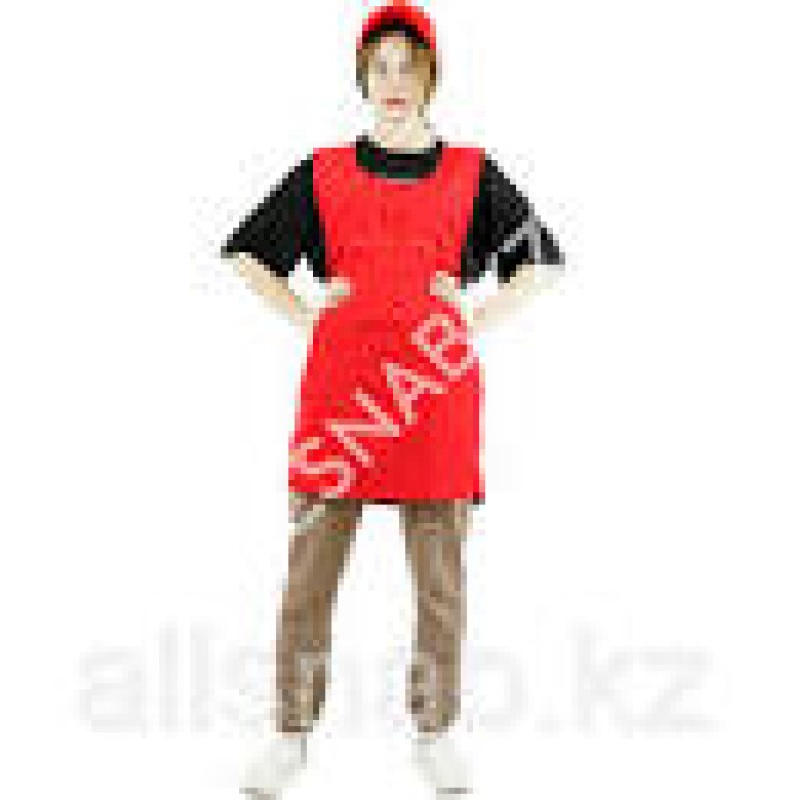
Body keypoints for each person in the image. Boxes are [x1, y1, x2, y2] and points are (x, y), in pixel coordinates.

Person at [221, 2, 564, 794]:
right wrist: (307, 313)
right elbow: (247, 253)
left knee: (440, 583)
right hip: (343, 402)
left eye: (409, 67)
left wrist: (474, 315)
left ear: (432, 77)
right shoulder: (322, 172)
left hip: (433, 397)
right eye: (380, 67)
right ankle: (290, 734)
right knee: (309, 578)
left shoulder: (474, 172)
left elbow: (539, 260)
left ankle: (434, 732)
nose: (395, 81)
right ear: (363, 78)